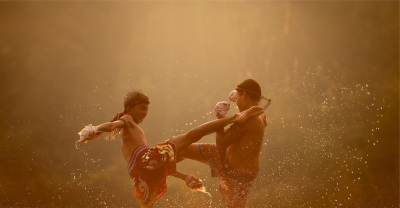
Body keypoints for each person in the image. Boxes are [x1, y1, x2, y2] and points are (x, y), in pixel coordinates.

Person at [78, 89, 264, 208]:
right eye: (142, 108)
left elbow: (155, 166)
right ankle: (234, 118)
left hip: (139, 173)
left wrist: (185, 177)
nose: (144, 113)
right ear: (129, 108)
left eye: (146, 110)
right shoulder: (126, 119)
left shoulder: (127, 136)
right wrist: (94, 128)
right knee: (191, 135)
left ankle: (229, 119)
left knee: (174, 150)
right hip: (144, 159)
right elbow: (111, 126)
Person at [177, 79, 270, 208]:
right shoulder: (260, 112)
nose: (236, 102)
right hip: (222, 156)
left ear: (245, 95)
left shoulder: (250, 119)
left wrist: (221, 117)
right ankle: (164, 171)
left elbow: (220, 143)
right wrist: (238, 94)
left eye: (237, 98)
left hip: (238, 178)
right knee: (180, 149)